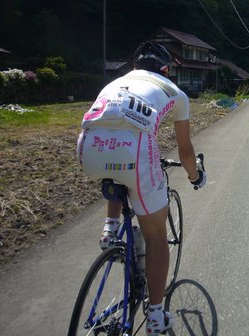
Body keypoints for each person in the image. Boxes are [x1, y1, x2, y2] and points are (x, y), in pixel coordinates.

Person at [77, 41, 206, 335]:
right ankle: (157, 316)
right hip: (134, 151)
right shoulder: (175, 92)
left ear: (135, 67)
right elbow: (185, 152)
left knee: (115, 173)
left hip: (87, 147)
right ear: (165, 69)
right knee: (156, 235)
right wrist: (195, 177)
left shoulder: (116, 82)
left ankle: (110, 230)